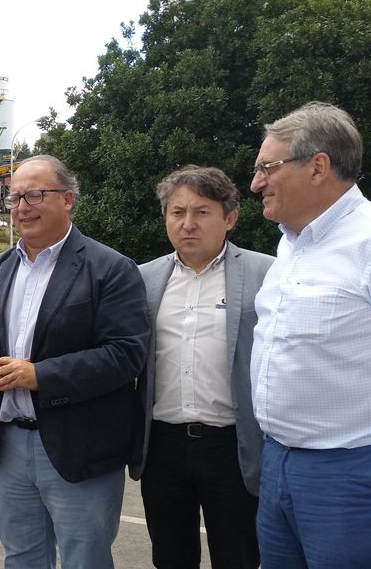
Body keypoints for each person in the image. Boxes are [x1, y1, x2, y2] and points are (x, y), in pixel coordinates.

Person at [249, 101, 371, 567]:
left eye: (267, 168)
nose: (256, 183)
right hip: (279, 464)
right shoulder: (290, 245)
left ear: (318, 166)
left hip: (357, 474)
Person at [0, 154, 150, 569]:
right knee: (22, 557)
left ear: (68, 199)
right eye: (16, 197)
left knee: (84, 559)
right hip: (11, 442)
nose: (23, 206)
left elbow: (125, 353)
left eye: (35, 194)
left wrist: (38, 375)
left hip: (81, 446)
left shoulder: (110, 269)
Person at [130, 166, 272, 569]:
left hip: (232, 447)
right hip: (163, 446)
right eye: (177, 212)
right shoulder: (143, 278)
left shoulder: (266, 274)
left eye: (202, 212)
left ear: (230, 218)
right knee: (171, 557)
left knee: (239, 557)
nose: (188, 224)